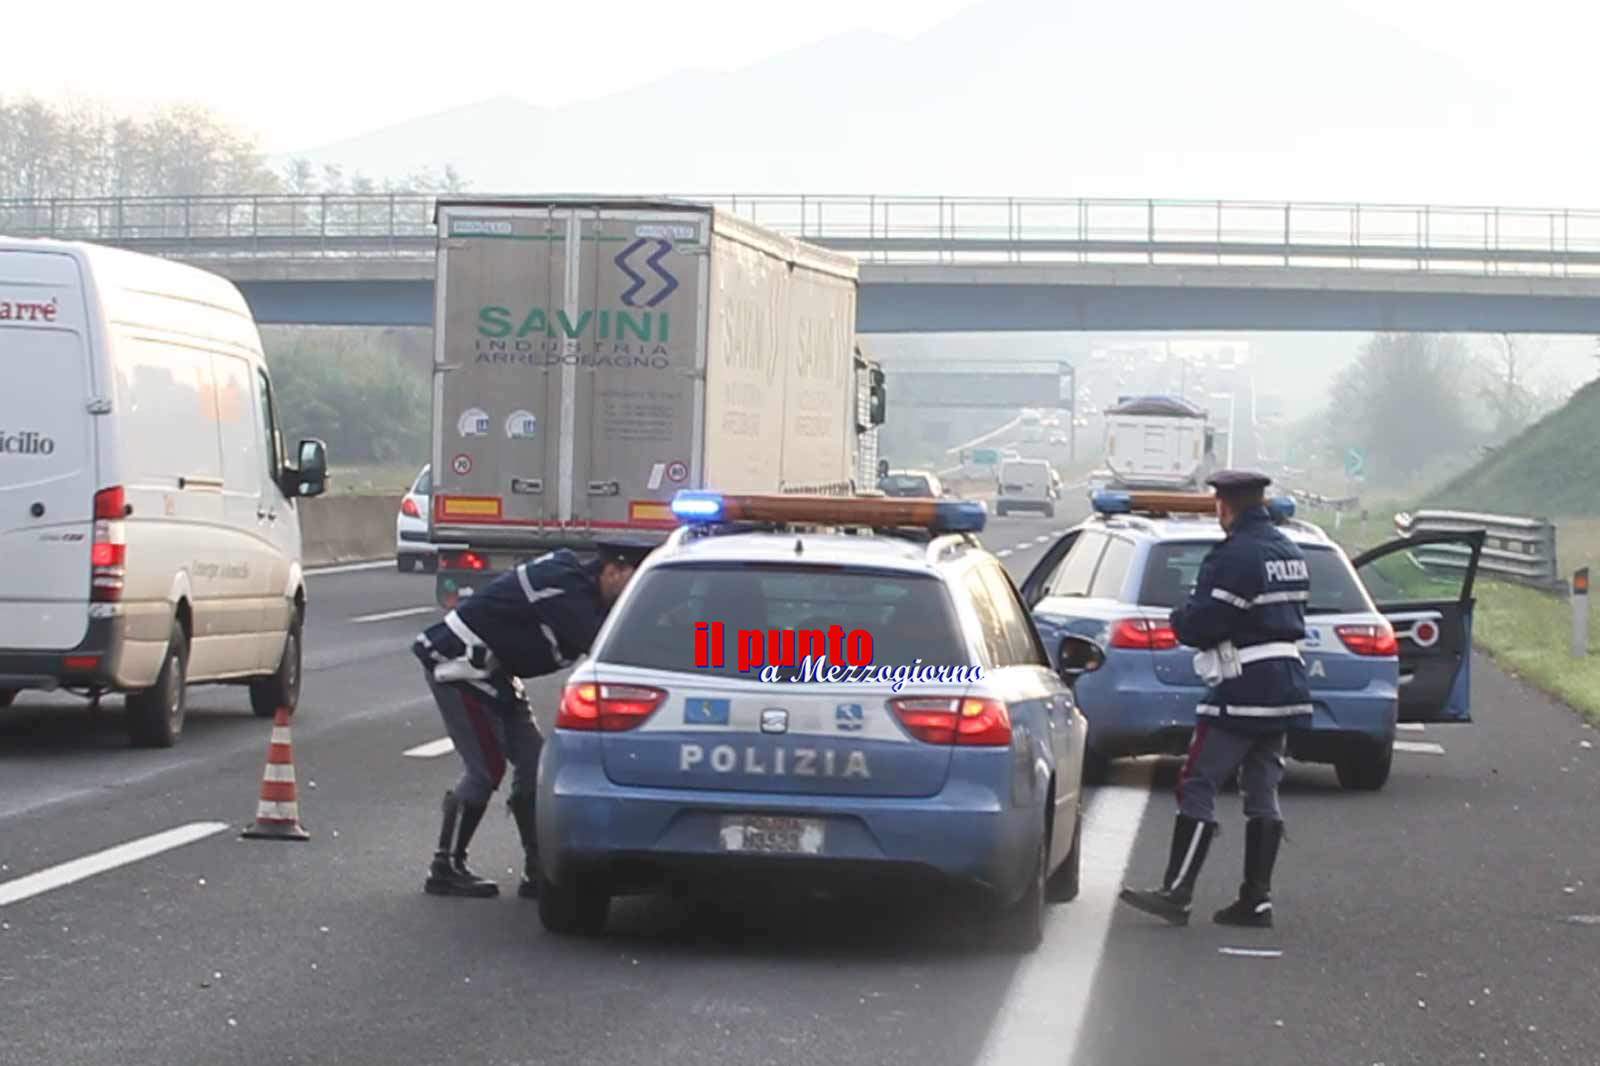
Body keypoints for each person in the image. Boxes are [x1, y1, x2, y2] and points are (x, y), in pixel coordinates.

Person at [411, 537, 657, 899]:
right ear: (613, 570)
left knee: (534, 766)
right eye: (631, 585)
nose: (630, 601)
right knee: (485, 768)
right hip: (460, 667)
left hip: (498, 675)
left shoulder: (583, 590)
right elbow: (608, 651)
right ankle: (445, 865)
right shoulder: (564, 589)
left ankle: (537, 869)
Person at [1119, 470, 1312, 928]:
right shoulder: (1291, 551)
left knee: (1197, 781)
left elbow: (1207, 622)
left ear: (1225, 506)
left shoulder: (1234, 556)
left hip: (1243, 686)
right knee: (1262, 790)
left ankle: (1178, 892)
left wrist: (1180, 619)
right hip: (1286, 686)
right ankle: (1256, 899)